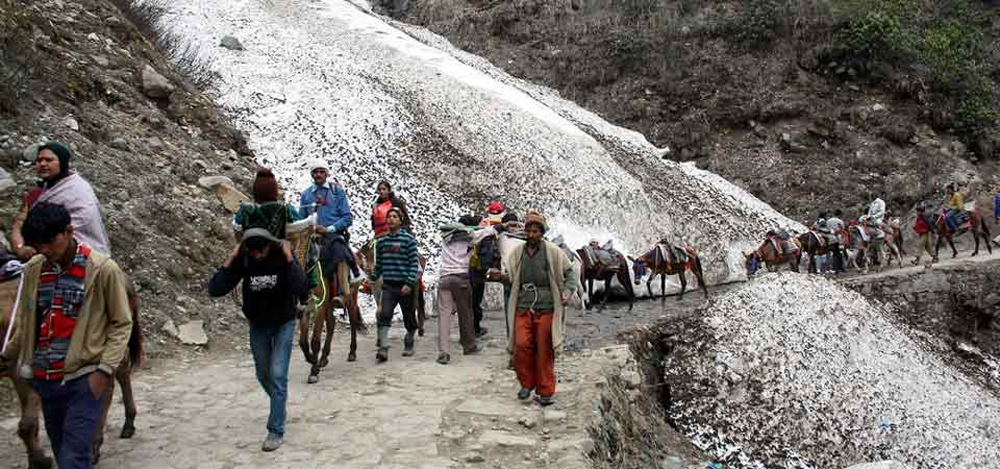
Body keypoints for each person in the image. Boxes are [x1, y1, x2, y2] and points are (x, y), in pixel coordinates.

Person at [2, 202, 132, 469]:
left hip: (83, 380)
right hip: (46, 381)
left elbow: (121, 323)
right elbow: (27, 322)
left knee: (74, 459)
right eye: (39, 245)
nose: (46, 250)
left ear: (69, 231)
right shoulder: (35, 270)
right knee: (64, 454)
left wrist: (104, 371)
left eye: (50, 242)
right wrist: (8, 355)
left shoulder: (102, 270)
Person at [207, 227, 307, 452]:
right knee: (263, 374)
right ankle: (279, 405)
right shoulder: (245, 260)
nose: (258, 256)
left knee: (278, 374)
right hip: (259, 325)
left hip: (284, 323)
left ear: (269, 245)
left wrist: (290, 258)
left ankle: (275, 429)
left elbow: (302, 288)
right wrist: (230, 259)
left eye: (261, 251)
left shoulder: (282, 257)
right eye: (253, 252)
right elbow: (215, 289)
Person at [504, 211, 577, 406]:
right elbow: (509, 274)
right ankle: (526, 384)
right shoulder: (518, 252)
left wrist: (568, 291)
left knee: (545, 349)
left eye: (535, 231)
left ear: (541, 233)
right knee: (521, 344)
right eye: (528, 231)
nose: (530, 234)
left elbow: (570, 272)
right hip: (524, 305)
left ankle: (545, 390)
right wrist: (498, 276)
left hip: (547, 306)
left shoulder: (553, 251)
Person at [10, 142, 111, 260]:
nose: (42, 164)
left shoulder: (78, 191)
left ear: (62, 163)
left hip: (78, 259)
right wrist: (20, 248)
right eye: (39, 160)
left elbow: (79, 227)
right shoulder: (35, 195)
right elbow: (18, 227)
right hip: (33, 258)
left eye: (48, 160)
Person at [367, 208, 420, 362]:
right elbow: (379, 265)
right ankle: (383, 348)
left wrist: (409, 283)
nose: (390, 219)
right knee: (384, 315)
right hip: (389, 286)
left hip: (405, 286)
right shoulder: (382, 242)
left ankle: (409, 340)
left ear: (400, 220)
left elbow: (414, 263)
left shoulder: (408, 240)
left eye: (394, 217)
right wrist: (372, 277)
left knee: (409, 317)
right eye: (388, 216)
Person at [298, 159, 361, 282]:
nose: (319, 174)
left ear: (326, 174)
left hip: (334, 236)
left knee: (340, 253)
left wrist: (329, 229)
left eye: (322, 171)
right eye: (316, 172)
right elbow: (302, 219)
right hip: (312, 237)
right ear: (312, 174)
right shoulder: (306, 195)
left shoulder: (337, 191)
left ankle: (342, 293)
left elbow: (347, 218)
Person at [435, 215, 484, 365]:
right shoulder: (469, 238)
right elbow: (488, 231)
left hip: (444, 279)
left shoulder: (446, 238)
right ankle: (469, 346)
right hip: (461, 278)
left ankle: (444, 352)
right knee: (465, 313)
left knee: (444, 316)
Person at [234, 168, 300, 241]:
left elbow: (237, 233)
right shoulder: (288, 209)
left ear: (255, 193)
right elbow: (301, 234)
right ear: (275, 192)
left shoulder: (245, 210)